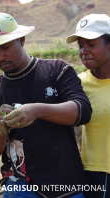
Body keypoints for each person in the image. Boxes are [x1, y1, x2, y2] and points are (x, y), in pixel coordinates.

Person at [0, 13, 91, 198]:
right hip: (19, 187)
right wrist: (1, 132)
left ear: (21, 39)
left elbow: (82, 111)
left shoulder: (57, 71)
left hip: (65, 186)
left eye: (5, 47)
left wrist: (37, 110)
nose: (0, 56)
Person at [67, 14, 110, 198]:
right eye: (81, 46)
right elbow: (76, 131)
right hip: (94, 173)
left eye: (91, 45)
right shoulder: (77, 84)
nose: (84, 51)